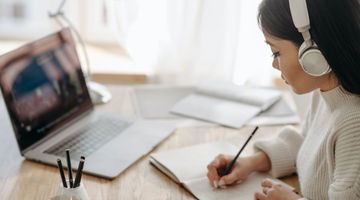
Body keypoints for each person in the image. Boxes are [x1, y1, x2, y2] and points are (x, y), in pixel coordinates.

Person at [206, 0, 360, 199]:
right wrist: (253, 162)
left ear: (314, 53)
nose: (274, 64)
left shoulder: (354, 123)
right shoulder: (325, 93)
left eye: (276, 52)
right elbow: (311, 147)